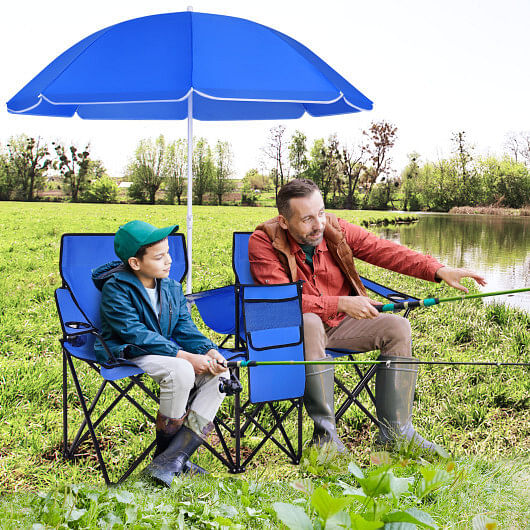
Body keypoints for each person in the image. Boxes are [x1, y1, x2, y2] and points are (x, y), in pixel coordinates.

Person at [248, 179, 486, 454]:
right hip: (293, 330)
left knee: (398, 327)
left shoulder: (334, 229)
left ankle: (396, 433)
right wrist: (341, 302)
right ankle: (325, 439)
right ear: (285, 221)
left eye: (322, 213)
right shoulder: (264, 241)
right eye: (307, 219)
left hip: (337, 325)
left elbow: (383, 249)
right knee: (311, 321)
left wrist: (438, 270)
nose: (319, 225)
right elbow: (285, 302)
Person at [92, 220, 229, 486]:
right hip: (129, 350)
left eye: (168, 253)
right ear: (135, 263)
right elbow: (133, 333)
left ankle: (170, 461)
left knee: (221, 377)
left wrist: (209, 351)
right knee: (181, 370)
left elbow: (184, 327)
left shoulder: (170, 287)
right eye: (159, 257)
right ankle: (171, 461)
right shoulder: (116, 288)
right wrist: (185, 357)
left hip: (164, 350)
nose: (168, 261)